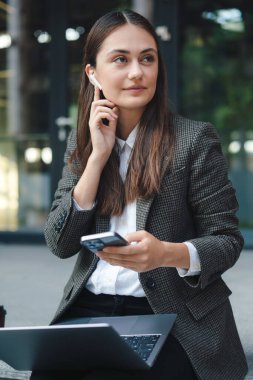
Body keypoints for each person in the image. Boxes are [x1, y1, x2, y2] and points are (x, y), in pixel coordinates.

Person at [34, 9, 248, 380]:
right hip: (91, 309)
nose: (138, 72)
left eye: (147, 59)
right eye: (121, 59)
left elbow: (227, 241)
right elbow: (60, 243)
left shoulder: (192, 140)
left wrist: (166, 253)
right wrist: (98, 158)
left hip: (172, 314)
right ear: (93, 74)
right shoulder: (83, 142)